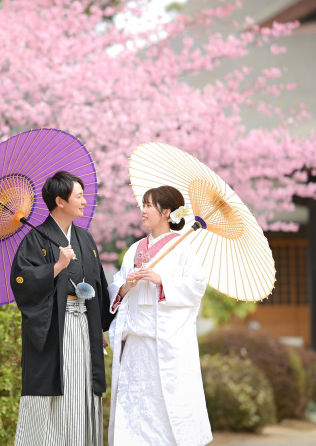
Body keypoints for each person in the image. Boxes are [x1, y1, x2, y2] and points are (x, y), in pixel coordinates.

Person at [10, 170, 115, 446]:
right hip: (56, 327)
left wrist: (99, 326)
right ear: (60, 201)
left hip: (85, 326)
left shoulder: (86, 239)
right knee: (59, 393)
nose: (84, 201)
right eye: (78, 196)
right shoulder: (36, 240)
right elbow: (22, 283)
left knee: (83, 390)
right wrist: (56, 266)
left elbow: (98, 285)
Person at [107, 185, 212, 446]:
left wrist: (161, 279)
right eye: (142, 204)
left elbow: (197, 286)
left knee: (165, 411)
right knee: (134, 410)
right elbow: (116, 287)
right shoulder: (134, 249)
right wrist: (126, 285)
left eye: (148, 205)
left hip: (163, 346)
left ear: (166, 212)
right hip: (135, 346)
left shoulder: (183, 249)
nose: (142, 210)